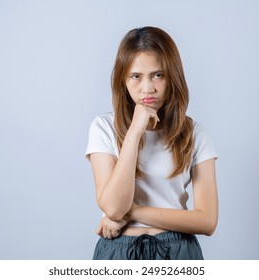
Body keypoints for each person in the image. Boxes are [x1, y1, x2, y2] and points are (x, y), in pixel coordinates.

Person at [85, 26, 218, 260]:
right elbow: (114, 208)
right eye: (136, 76)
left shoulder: (194, 133)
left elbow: (207, 220)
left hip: (177, 250)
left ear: (172, 77)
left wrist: (131, 214)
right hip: (119, 251)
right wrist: (135, 131)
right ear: (123, 80)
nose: (148, 88)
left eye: (158, 75)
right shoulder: (103, 128)